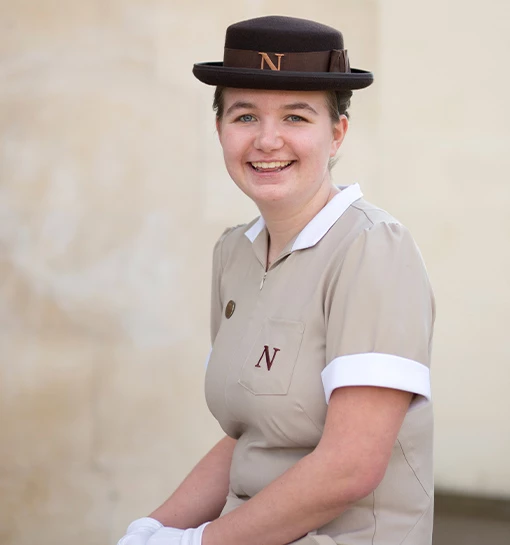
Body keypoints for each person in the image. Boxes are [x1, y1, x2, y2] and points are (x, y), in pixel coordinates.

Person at [117, 15, 435, 545]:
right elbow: (251, 439)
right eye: (244, 116)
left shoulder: (373, 249)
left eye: (296, 116)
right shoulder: (233, 253)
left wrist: (199, 542)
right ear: (219, 129)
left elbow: (350, 467)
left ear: (337, 133)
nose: (267, 140)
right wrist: (152, 528)